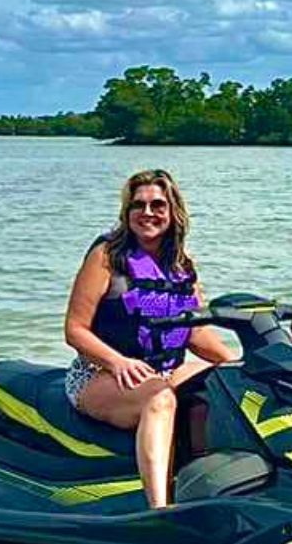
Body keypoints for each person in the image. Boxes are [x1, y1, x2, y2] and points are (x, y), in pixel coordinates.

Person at [64, 169, 235, 508]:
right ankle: (160, 510)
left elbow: (193, 331)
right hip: (98, 374)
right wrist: (118, 361)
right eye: (138, 205)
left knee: (225, 384)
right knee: (161, 400)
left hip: (162, 371)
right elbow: (75, 329)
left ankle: (209, 492)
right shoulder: (106, 258)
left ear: (173, 213)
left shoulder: (183, 265)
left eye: (158, 205)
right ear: (127, 214)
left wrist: (240, 364)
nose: (147, 213)